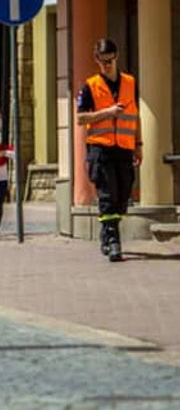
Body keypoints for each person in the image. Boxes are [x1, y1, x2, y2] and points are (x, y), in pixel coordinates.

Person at [75, 38, 141, 262]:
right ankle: (113, 240)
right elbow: (81, 117)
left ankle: (107, 231)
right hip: (100, 148)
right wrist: (108, 112)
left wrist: (138, 145)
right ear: (96, 60)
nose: (107, 65)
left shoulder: (130, 83)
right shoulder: (90, 86)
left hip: (124, 148)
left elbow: (135, 116)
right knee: (107, 194)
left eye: (110, 60)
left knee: (123, 195)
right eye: (102, 61)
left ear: (117, 56)